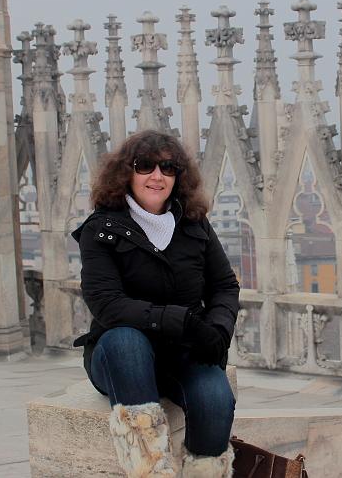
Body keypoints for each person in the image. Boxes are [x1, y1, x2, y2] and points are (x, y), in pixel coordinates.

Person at [71, 129, 240, 477]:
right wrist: (180, 320)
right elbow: (107, 304)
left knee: (214, 399)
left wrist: (219, 330)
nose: (156, 176)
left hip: (183, 350)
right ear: (126, 173)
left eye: (168, 167)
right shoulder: (101, 229)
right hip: (120, 358)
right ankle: (150, 471)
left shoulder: (194, 224)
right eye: (145, 165)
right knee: (124, 340)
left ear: (179, 176)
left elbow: (224, 285)